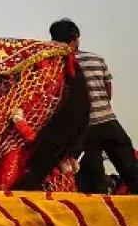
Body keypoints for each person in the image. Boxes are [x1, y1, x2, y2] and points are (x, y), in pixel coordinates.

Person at [54, 19, 138, 194]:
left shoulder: (54, 64)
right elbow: (108, 91)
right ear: (76, 37)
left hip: (82, 129)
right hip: (107, 121)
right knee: (130, 167)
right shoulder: (96, 59)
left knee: (92, 175)